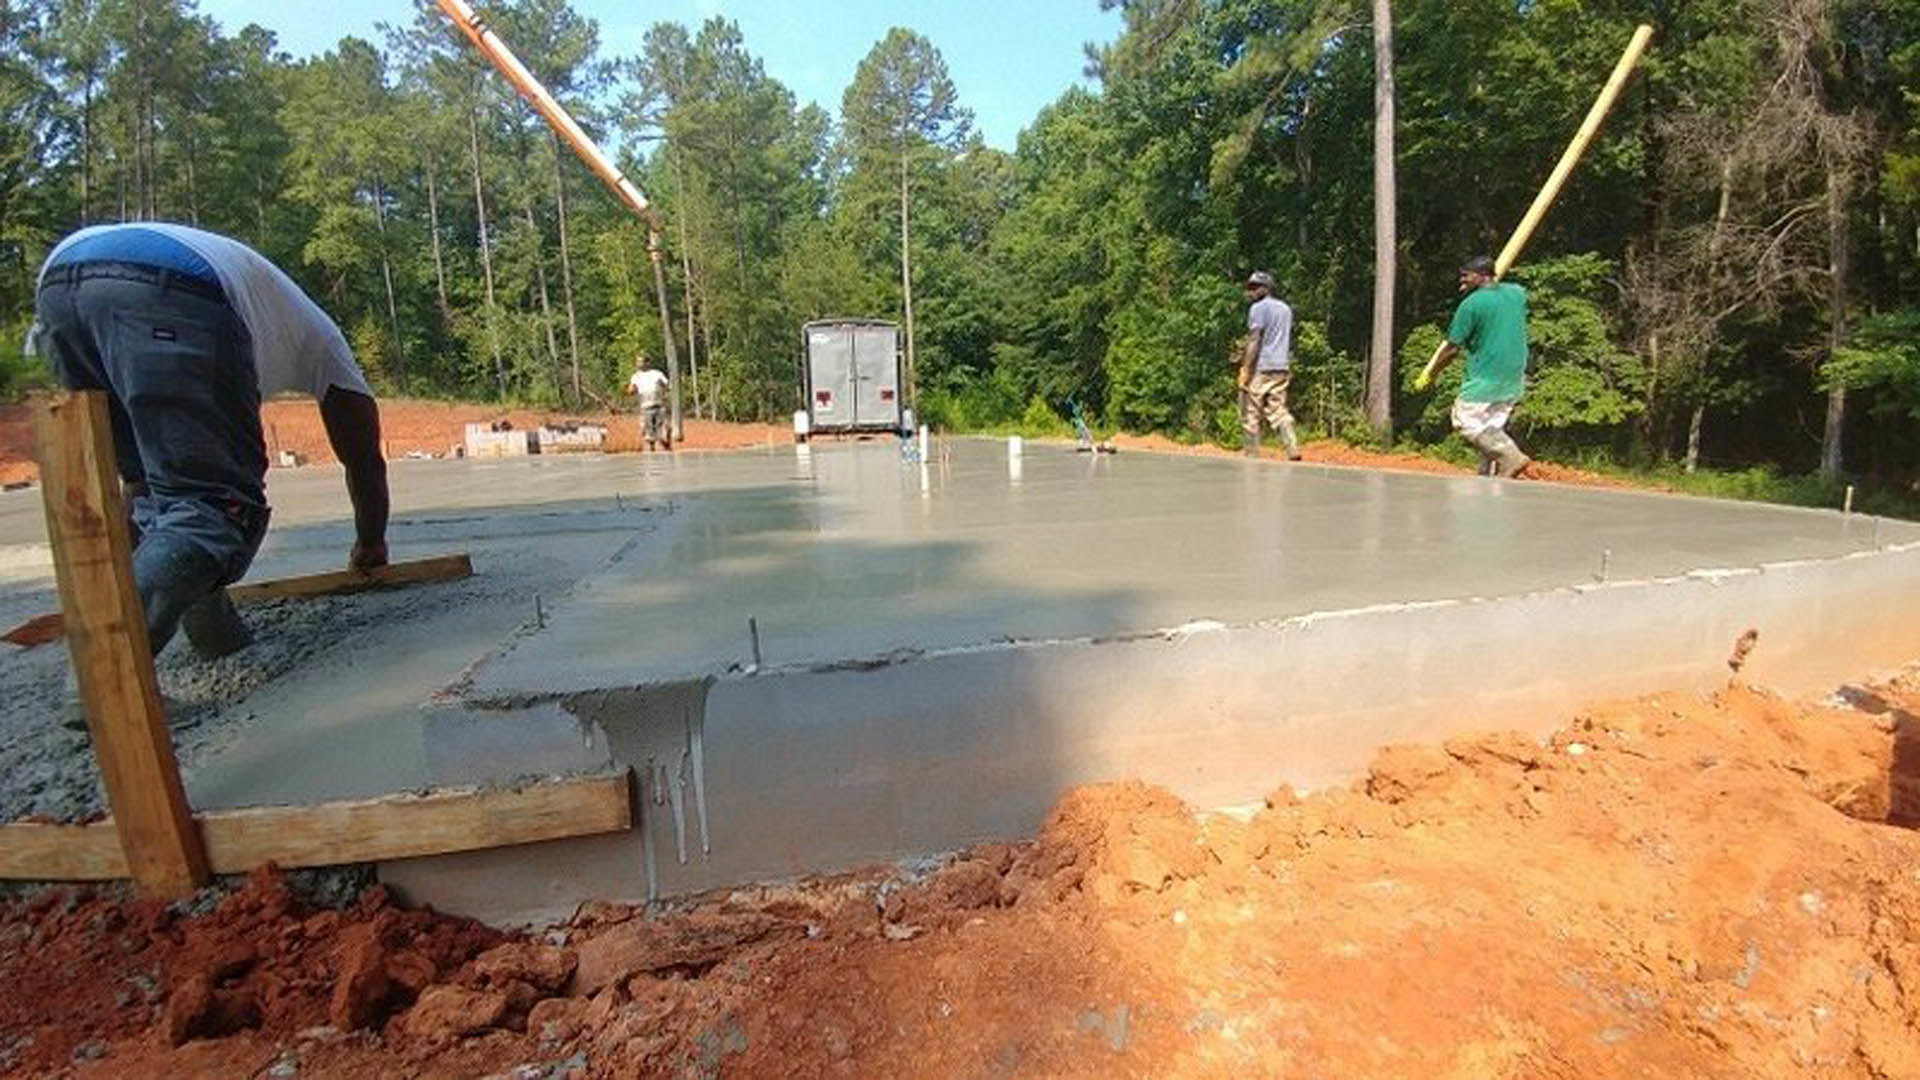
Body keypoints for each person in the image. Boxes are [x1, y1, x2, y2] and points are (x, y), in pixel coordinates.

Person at [29, 222, 389, 659]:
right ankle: (106, 678)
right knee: (214, 505)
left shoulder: (280, 312)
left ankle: (217, 640)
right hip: (172, 286)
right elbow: (365, 459)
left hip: (61, 281)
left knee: (149, 489)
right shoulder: (327, 342)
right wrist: (370, 543)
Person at [1415, 255, 1532, 478]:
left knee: (1465, 419)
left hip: (1487, 373)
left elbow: (1451, 349)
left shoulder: (1471, 306)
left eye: (1466, 276)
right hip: (1514, 372)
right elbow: (1515, 291)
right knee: (1492, 425)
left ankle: (1511, 456)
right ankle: (1490, 471)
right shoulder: (1515, 293)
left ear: (1480, 276)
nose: (1462, 282)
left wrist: (1431, 373)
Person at [1238, 270, 1300, 460]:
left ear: (1266, 288)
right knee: (1277, 408)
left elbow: (1255, 340)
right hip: (1282, 366)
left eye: (1255, 287)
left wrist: (1246, 369)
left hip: (1264, 366)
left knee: (1251, 409)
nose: (1251, 291)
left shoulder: (1258, 309)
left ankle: (1251, 453)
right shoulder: (1285, 309)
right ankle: (1292, 446)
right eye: (1250, 287)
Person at [625, 354, 671, 452]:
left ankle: (666, 445)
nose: (638, 364)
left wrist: (664, 388)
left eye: (640, 361)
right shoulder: (636, 376)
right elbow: (631, 390)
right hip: (645, 407)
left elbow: (667, 385)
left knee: (664, 430)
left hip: (659, 405)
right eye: (637, 362)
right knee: (649, 435)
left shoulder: (657, 373)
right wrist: (631, 390)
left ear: (647, 363)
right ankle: (652, 451)